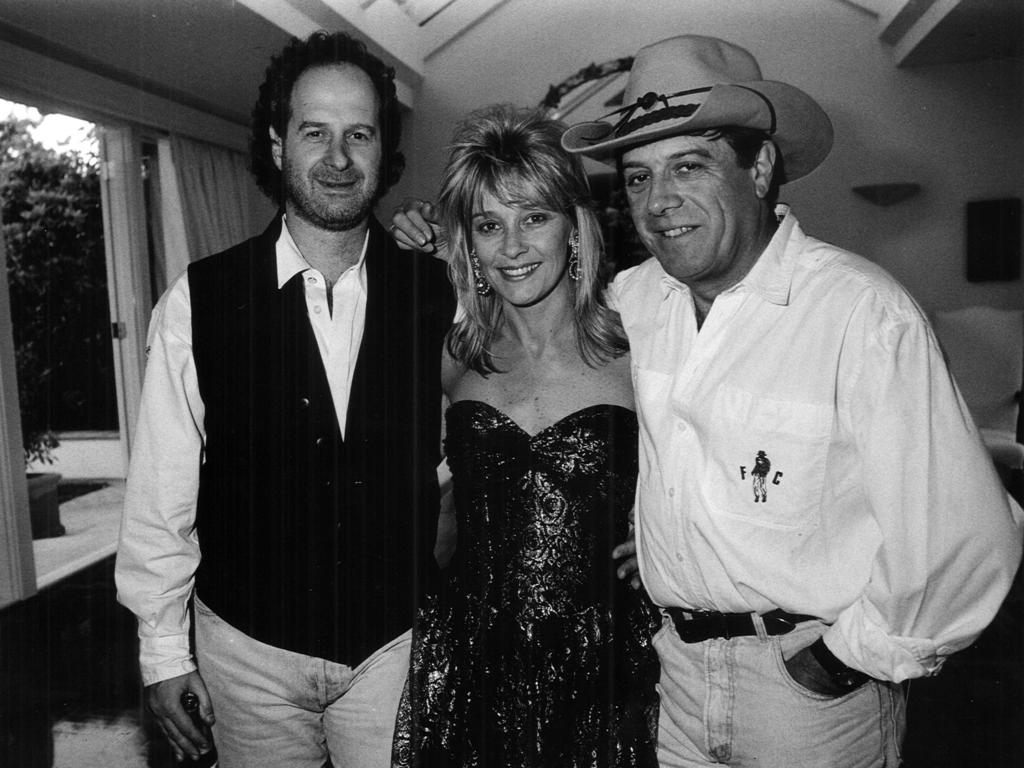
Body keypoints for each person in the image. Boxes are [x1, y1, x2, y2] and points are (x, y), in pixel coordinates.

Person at [557, 34, 1024, 766]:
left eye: (689, 166)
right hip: (673, 680)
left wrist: (838, 662)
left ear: (762, 166)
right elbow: (527, 351)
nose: (658, 202)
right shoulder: (635, 301)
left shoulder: (861, 313)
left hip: (809, 697)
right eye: (639, 177)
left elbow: (967, 533)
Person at [115, 30, 455, 767]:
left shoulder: (438, 293)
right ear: (277, 145)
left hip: (393, 651)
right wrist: (164, 652)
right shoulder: (197, 301)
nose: (337, 159)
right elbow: (161, 491)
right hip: (248, 657)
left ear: (383, 149)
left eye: (359, 134)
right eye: (315, 132)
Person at [389, 104, 660, 768]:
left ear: (574, 228)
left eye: (534, 218)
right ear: (469, 243)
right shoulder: (450, 355)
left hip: (606, 667)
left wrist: (664, 540)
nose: (512, 248)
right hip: (474, 661)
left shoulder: (640, 347)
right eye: (489, 225)